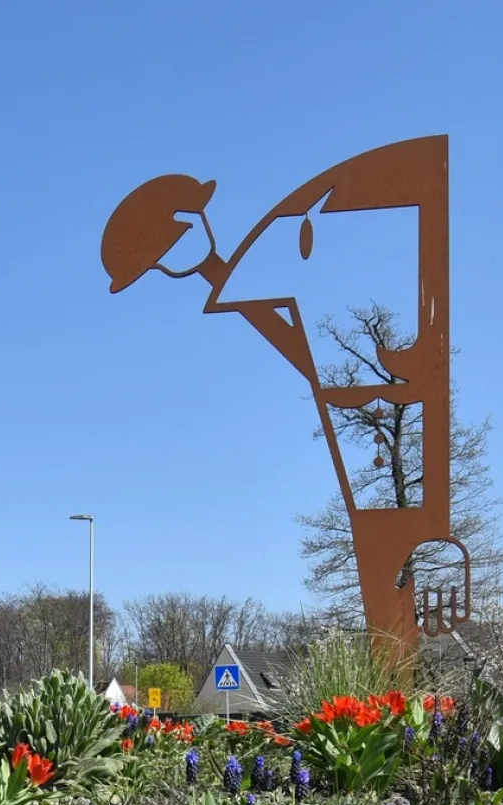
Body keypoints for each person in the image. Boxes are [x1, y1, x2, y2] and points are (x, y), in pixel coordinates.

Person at [102, 137, 468, 660]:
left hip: (386, 399)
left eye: (161, 258)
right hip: (376, 398)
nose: (166, 266)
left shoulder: (293, 242)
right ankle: (392, 683)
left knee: (388, 544)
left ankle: (395, 682)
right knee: (383, 554)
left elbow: (310, 345)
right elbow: (299, 347)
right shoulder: (266, 264)